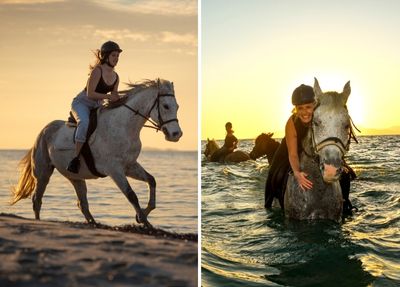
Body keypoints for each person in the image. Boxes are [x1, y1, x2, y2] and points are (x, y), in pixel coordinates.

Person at [264, 84, 355, 213]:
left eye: (308, 107)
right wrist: (296, 172)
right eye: (300, 108)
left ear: (315, 104)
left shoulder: (321, 115)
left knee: (345, 175)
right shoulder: (292, 122)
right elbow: (293, 154)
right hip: (292, 147)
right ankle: (269, 203)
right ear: (295, 109)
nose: (305, 112)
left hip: (315, 147)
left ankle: (345, 204)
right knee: (275, 172)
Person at [66, 41, 122, 173]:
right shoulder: (97, 71)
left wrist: (119, 99)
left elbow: (114, 96)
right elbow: (90, 94)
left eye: (118, 56)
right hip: (82, 103)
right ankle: (75, 159)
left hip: (97, 105)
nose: (116, 59)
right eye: (114, 55)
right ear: (106, 56)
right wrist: (109, 97)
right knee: (84, 123)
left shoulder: (116, 77)